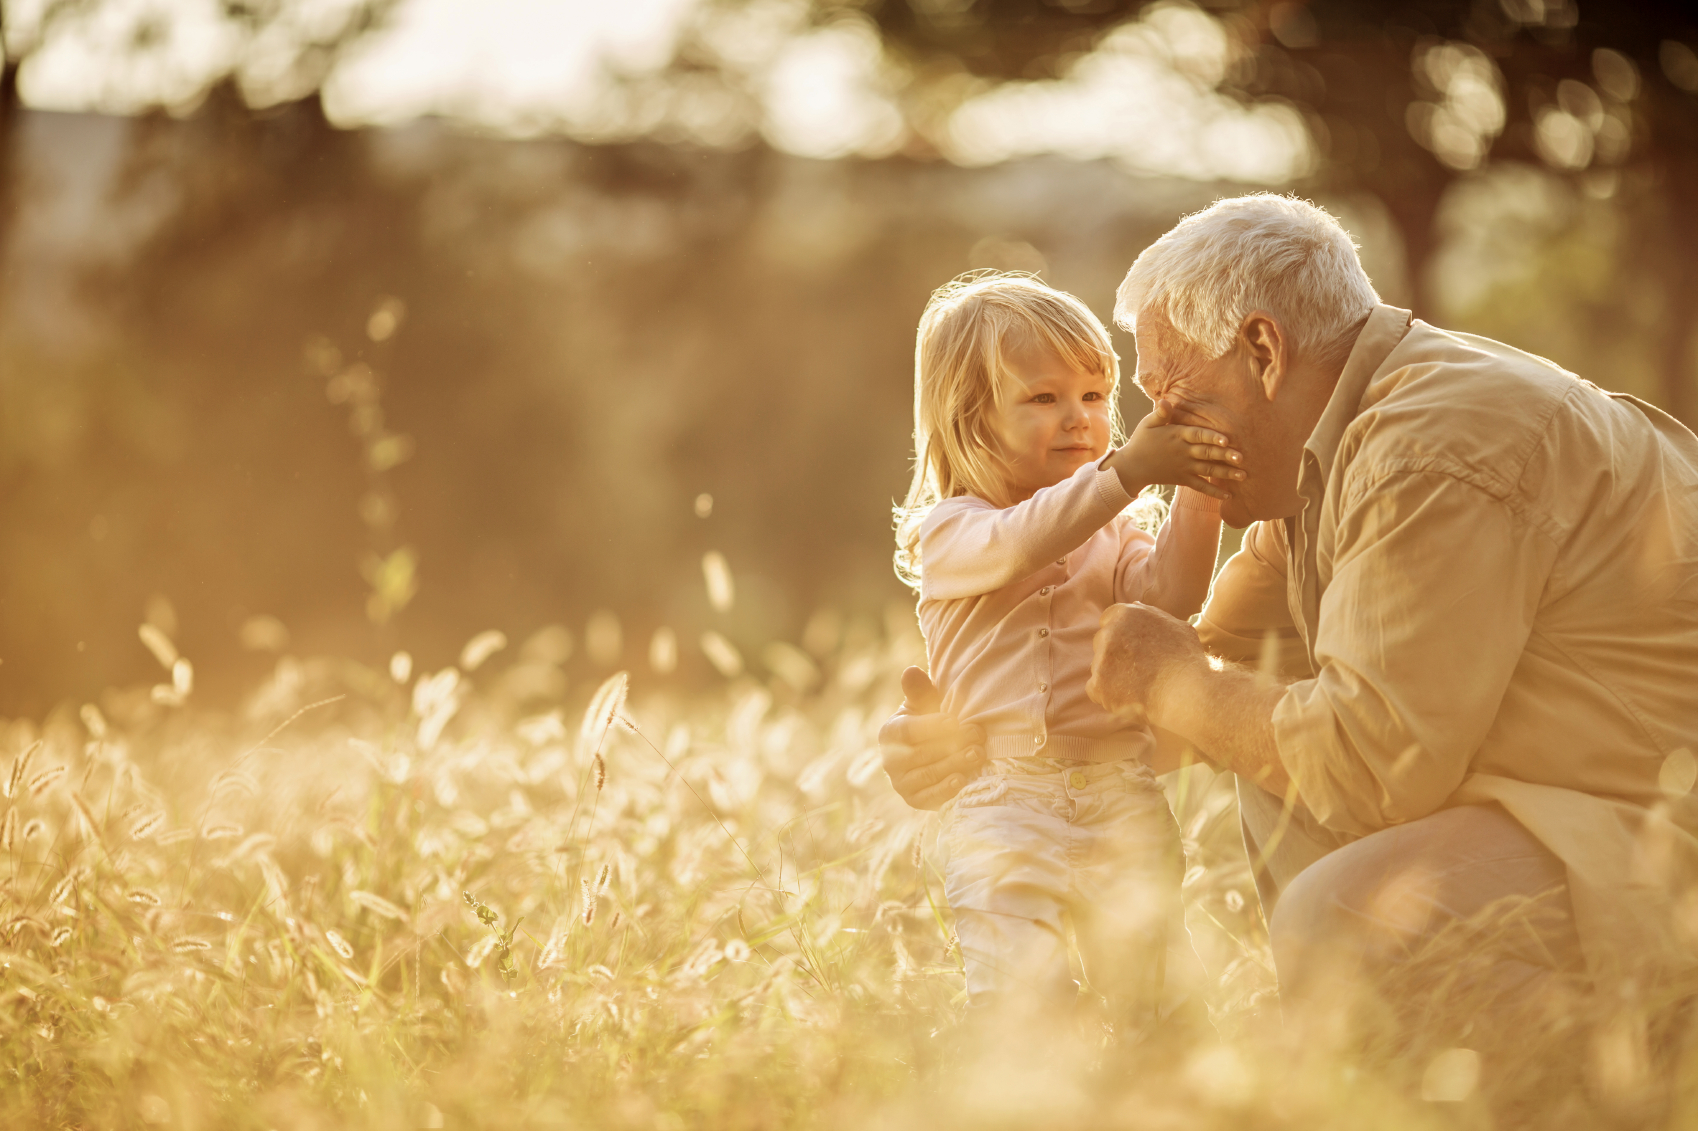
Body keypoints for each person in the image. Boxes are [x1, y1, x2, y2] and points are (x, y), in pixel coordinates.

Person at [882, 195, 1698, 1014]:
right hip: (1578, 810)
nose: (1156, 425)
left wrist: (1171, 683)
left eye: (1173, 394)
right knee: (1267, 754)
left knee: (1341, 918)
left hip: (1658, 833)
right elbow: (1184, 669)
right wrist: (981, 748)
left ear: (1263, 350)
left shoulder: (1424, 453)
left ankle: (1633, 1068)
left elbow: (1359, 762)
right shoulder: (1325, 463)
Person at [894, 272, 1243, 1032]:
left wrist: (1196, 485)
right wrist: (1123, 474)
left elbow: (1169, 594)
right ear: (971, 418)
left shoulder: (1113, 527)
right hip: (1003, 798)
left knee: (1164, 1007)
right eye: (1043, 398)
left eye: (1092, 394)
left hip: (1122, 789)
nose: (1078, 418)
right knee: (1023, 1008)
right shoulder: (951, 530)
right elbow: (1019, 543)